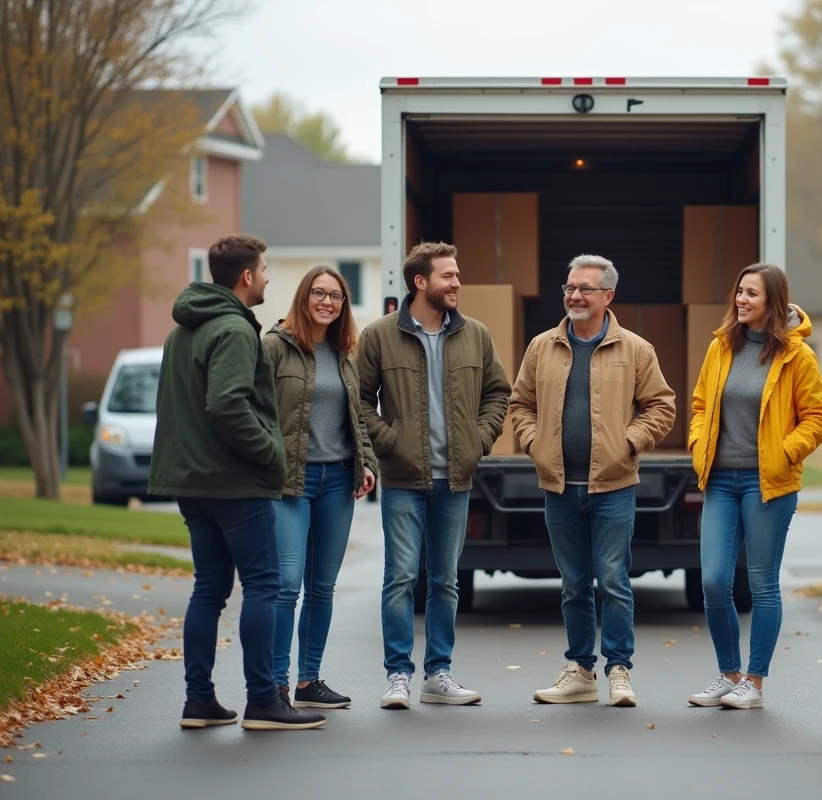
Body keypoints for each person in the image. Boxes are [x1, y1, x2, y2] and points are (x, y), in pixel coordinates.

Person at [149, 234, 325, 731]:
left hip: (191, 482)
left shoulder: (182, 330)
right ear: (246, 276)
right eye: (265, 269)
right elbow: (226, 405)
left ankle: (199, 702)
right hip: (233, 483)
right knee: (263, 585)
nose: (268, 277)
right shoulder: (233, 329)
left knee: (208, 589)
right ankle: (264, 701)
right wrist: (271, 451)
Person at [510, 254, 676, 708]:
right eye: (570, 287)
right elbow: (520, 404)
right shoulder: (542, 347)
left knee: (614, 581)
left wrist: (629, 442)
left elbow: (662, 406)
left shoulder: (636, 349)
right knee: (574, 584)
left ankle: (619, 670)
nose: (575, 296)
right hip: (560, 487)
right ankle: (580, 672)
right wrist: (534, 442)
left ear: (608, 296)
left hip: (613, 486)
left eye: (585, 288)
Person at [357, 241, 511, 709]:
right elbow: (358, 400)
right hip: (403, 479)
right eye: (449, 275)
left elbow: (498, 393)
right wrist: (388, 442)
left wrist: (479, 440)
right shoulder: (379, 335)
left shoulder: (476, 334)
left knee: (445, 580)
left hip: (455, 480)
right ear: (420, 282)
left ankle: (438, 673)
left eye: (457, 275)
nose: (457, 282)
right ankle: (398, 676)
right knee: (401, 578)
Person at [686, 263, 822, 710]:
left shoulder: (796, 355)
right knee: (713, 580)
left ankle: (754, 682)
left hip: (767, 482)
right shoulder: (721, 348)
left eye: (751, 293)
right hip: (720, 480)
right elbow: (700, 405)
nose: (741, 300)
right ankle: (729, 675)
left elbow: (818, 418)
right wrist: (697, 444)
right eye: (739, 291)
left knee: (763, 584)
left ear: (773, 301)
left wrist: (784, 452)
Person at [262, 266, 378, 711]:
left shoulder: (345, 353)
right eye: (318, 293)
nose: (327, 302)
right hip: (290, 480)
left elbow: (357, 417)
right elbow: (256, 411)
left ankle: (309, 681)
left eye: (336, 296)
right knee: (287, 583)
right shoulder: (275, 346)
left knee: (322, 587)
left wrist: (366, 463)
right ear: (303, 297)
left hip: (337, 480)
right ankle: (275, 684)